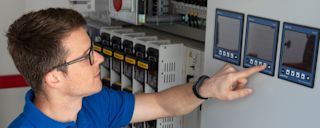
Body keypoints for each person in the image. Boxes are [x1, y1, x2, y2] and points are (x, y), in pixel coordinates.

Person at [6, 8, 265, 128]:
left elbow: (162, 104)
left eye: (93, 49)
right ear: (54, 78)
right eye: (86, 57)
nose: (100, 60)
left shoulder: (94, 103)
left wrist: (206, 88)